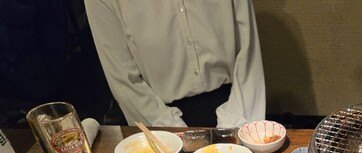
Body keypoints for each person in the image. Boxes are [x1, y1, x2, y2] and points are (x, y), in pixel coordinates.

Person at [84, 0, 266, 128]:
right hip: (153, 113)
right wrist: (167, 129)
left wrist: (237, 120)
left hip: (233, 101)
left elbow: (249, 53)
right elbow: (122, 77)